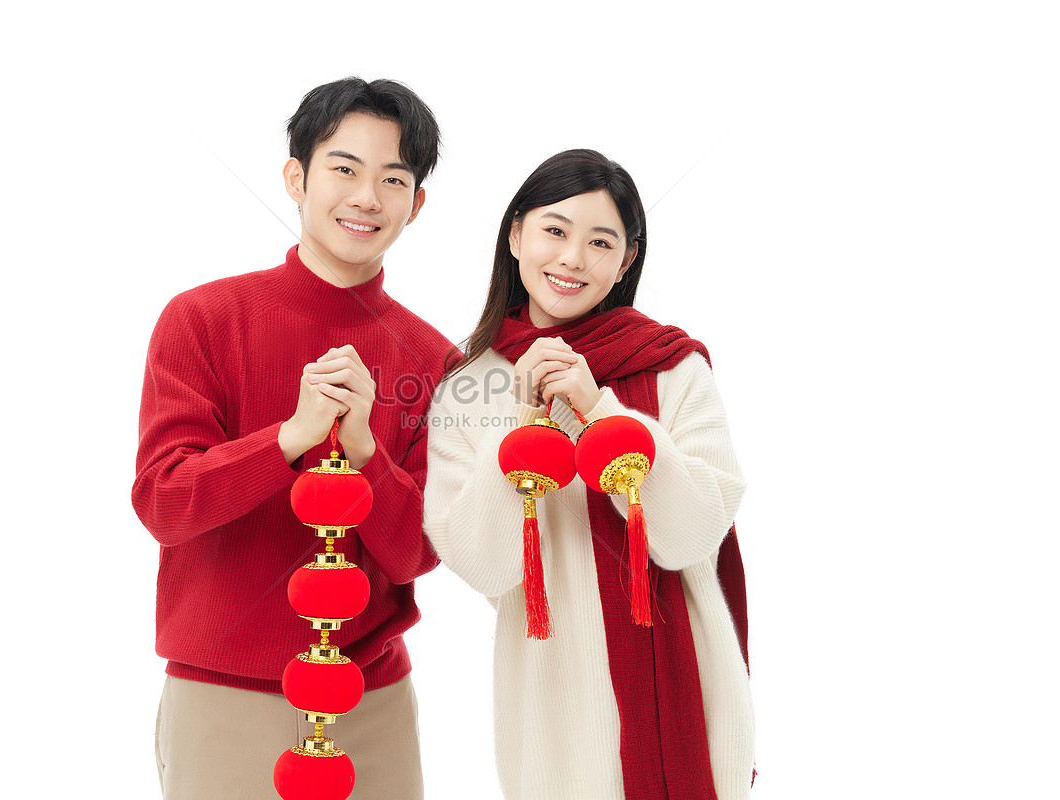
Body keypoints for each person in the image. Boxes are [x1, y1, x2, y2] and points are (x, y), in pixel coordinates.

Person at [133, 77, 456, 800]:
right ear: (295, 178)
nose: (366, 197)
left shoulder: (436, 361)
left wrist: (367, 453)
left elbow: (416, 553)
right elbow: (164, 503)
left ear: (417, 204)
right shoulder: (202, 320)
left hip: (372, 704)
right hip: (226, 696)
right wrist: (291, 437)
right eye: (343, 168)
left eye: (392, 179)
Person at [423, 149, 755, 799]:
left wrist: (600, 409)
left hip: (690, 688)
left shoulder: (673, 368)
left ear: (626, 260)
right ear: (515, 235)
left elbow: (690, 538)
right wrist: (521, 422)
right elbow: (485, 566)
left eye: (600, 242)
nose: (573, 258)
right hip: (553, 702)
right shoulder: (466, 389)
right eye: (554, 230)